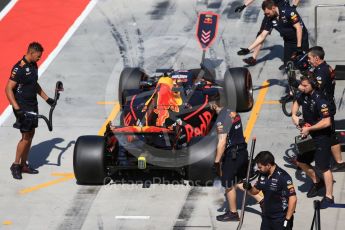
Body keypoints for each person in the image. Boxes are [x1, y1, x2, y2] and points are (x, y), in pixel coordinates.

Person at [5, 42, 55, 180]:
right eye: (38, 56)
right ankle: (15, 165)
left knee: (31, 134)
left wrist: (47, 99)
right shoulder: (19, 68)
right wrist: (17, 108)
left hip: (32, 104)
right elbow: (8, 88)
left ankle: (23, 164)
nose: (39, 59)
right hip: (22, 106)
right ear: (31, 53)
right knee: (25, 137)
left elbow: (34, 84)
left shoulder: (33, 65)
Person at [211, 100, 263, 222]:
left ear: (214, 105)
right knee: (239, 181)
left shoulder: (221, 118)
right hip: (242, 153)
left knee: (228, 185)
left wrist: (217, 161)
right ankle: (262, 200)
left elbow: (222, 142)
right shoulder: (234, 112)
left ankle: (233, 213)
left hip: (233, 155)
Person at [291, 76, 335, 208]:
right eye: (301, 85)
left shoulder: (320, 100)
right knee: (301, 161)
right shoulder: (303, 94)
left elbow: (327, 122)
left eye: (305, 86)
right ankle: (317, 182)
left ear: (313, 85)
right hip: (308, 135)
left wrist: (309, 128)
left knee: (323, 167)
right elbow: (295, 106)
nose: (302, 88)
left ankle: (329, 197)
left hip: (321, 137)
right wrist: (295, 118)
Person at [237, 0, 308, 69]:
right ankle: (292, 79)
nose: (267, 16)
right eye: (265, 14)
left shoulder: (289, 12)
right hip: (288, 41)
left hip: (301, 39)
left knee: (303, 64)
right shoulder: (270, 18)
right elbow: (262, 36)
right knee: (288, 65)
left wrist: (299, 47)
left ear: (273, 8)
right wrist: (248, 49)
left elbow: (299, 29)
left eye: (268, 13)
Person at [243, 151, 297, 230]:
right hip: (266, 217)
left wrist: (287, 220)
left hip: (280, 219)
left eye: (260, 167)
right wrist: (249, 188)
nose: (258, 169)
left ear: (268, 165)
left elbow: (293, 199)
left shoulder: (283, 177)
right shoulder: (262, 175)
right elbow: (255, 191)